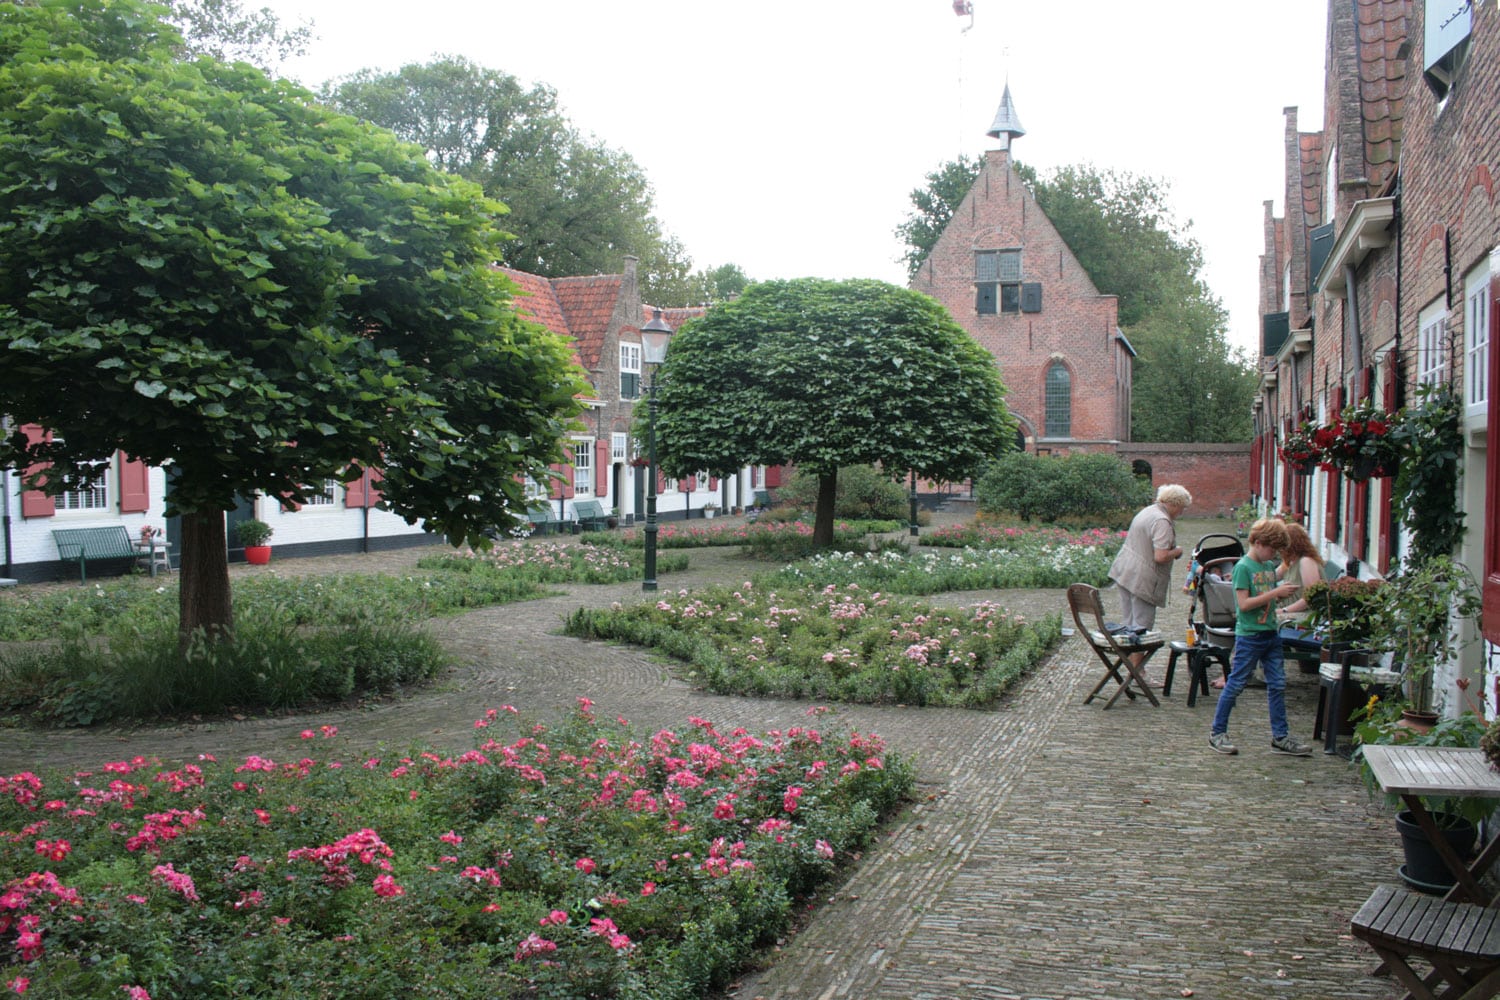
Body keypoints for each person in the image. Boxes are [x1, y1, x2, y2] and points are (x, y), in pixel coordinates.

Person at [1208, 518, 1312, 756]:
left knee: (1277, 685)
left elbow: (1270, 584)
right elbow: (1243, 605)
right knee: (1235, 684)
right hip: (1250, 637)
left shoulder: (1266, 567)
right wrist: (1276, 592)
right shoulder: (1243, 568)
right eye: (1272, 549)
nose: (1274, 554)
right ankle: (1217, 732)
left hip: (1270, 634)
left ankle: (1280, 736)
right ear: (1259, 542)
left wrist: (1282, 584)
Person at [1108, 484, 1190, 681]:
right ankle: (1138, 673)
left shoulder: (1147, 511)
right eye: (1182, 507)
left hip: (1125, 573)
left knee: (1129, 624)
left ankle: (1132, 669)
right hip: (1142, 579)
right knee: (1141, 628)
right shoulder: (1162, 521)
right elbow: (1161, 556)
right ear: (1173, 504)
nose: (1182, 512)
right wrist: (1177, 552)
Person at [1275, 521, 1323, 619]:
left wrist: (1284, 610)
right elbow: (1271, 576)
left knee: (1262, 620)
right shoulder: (1289, 562)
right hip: (1288, 611)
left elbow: (1312, 597)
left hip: (1305, 615)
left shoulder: (1306, 562)